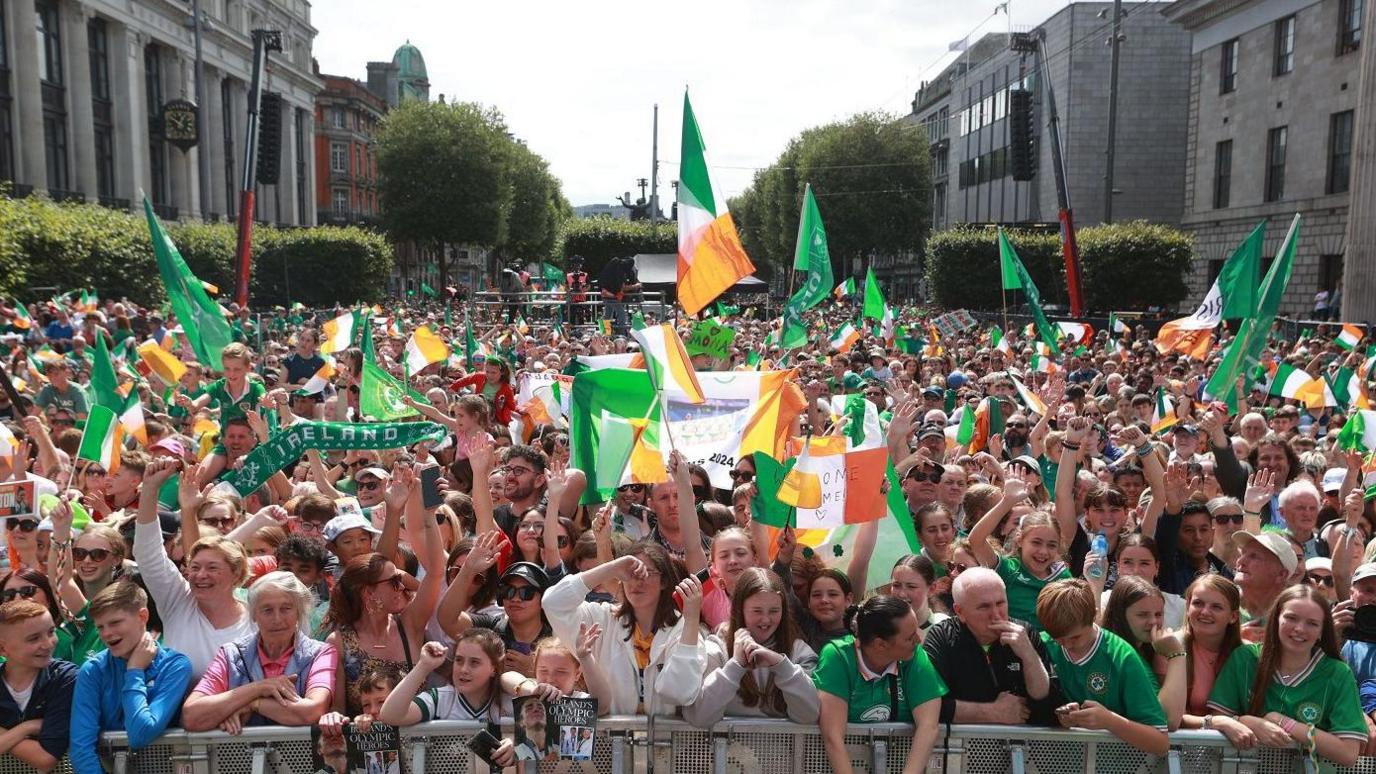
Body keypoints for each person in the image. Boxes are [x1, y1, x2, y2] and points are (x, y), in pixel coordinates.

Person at [542, 542, 722, 715]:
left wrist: (691, 619)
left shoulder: (683, 628)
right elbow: (552, 603)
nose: (637, 582)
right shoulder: (602, 619)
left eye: (647, 573)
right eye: (631, 573)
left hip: (664, 744)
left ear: (664, 581)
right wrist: (611, 568)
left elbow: (678, 692)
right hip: (610, 744)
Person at [1207, 585, 1366, 768]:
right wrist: (1246, 721)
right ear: (1276, 619)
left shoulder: (1338, 673)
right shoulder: (1244, 658)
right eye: (1291, 618)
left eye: (1312, 623)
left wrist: (1284, 722)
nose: (1299, 628)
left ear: (1323, 630)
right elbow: (1219, 720)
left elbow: (1348, 753)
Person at [134, 460, 253, 679]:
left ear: (236, 573)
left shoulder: (257, 618)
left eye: (212, 567)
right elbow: (147, 554)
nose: (200, 575)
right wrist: (150, 489)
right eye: (194, 567)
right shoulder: (178, 601)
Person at [182, 571, 337, 733]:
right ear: (254, 615)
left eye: (286, 609)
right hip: (240, 756)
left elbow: (313, 711)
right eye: (267, 610)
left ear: (298, 612)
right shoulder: (231, 654)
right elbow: (192, 716)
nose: (277, 619)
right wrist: (259, 688)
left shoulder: (320, 653)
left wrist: (251, 703)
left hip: (302, 756)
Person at [69, 581, 192, 774]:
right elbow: (81, 747)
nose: (107, 633)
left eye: (115, 623)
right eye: (100, 627)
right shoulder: (92, 670)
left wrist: (134, 670)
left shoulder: (175, 665)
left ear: (142, 616)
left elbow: (140, 733)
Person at [813, 595, 946, 774]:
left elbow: (928, 726)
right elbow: (832, 736)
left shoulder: (914, 655)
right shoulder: (837, 656)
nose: (918, 640)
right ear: (880, 644)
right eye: (909, 637)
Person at [1037, 579, 1169, 755]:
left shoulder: (1122, 657)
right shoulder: (1041, 644)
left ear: (1094, 616)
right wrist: (1064, 719)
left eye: (1075, 637)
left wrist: (1110, 721)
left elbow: (1160, 742)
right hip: (1057, 762)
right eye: (1058, 638)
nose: (1066, 645)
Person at [685, 568, 820, 726]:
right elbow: (699, 716)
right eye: (757, 611)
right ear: (740, 610)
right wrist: (735, 666)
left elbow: (809, 716)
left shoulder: (799, 652)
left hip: (781, 749)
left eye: (774, 611)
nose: (765, 620)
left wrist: (782, 666)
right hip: (726, 749)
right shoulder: (716, 649)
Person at [923, 567, 1056, 725]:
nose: (996, 614)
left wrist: (1029, 655)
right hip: (964, 745)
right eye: (984, 607)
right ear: (960, 612)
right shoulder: (942, 637)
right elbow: (927, 705)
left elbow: (1046, 700)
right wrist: (992, 712)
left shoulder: (1024, 633)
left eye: (1000, 603)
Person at [377, 631, 518, 768]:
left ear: (494, 668)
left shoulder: (511, 702)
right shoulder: (439, 699)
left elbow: (537, 743)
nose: (464, 669)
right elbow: (389, 715)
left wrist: (517, 747)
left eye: (474, 662)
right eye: (459, 660)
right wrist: (424, 666)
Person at [0, 599, 76, 770]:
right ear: (3, 649)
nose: (48, 644)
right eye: (33, 639)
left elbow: (46, 758)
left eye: (51, 632)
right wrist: (26, 728)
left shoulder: (65, 678)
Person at [1233, 531, 1297, 642]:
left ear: (1282, 574)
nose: (1241, 561)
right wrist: (1235, 640)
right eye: (1242, 554)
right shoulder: (1222, 603)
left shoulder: (1297, 613)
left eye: (1254, 556)